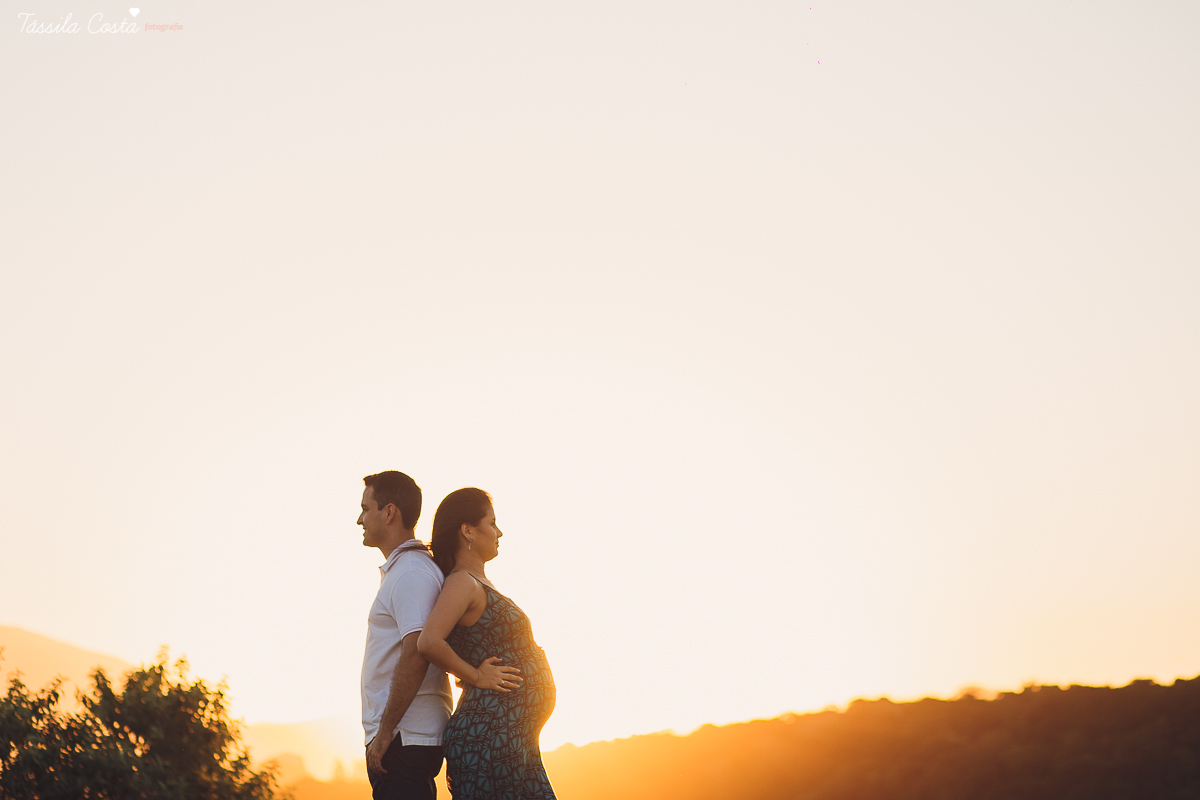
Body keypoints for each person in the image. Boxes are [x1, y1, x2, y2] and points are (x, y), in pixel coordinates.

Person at [418, 488, 558, 800]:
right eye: (492, 523)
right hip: (489, 738)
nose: (499, 532)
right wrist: (477, 675)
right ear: (468, 530)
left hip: (513, 739)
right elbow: (428, 642)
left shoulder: (475, 582)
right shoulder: (461, 582)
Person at [358, 471, 454, 800]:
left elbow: (417, 651)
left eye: (365, 509)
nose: (360, 519)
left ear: (389, 512)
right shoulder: (406, 570)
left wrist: (384, 733)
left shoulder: (412, 573)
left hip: (404, 739)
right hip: (403, 739)